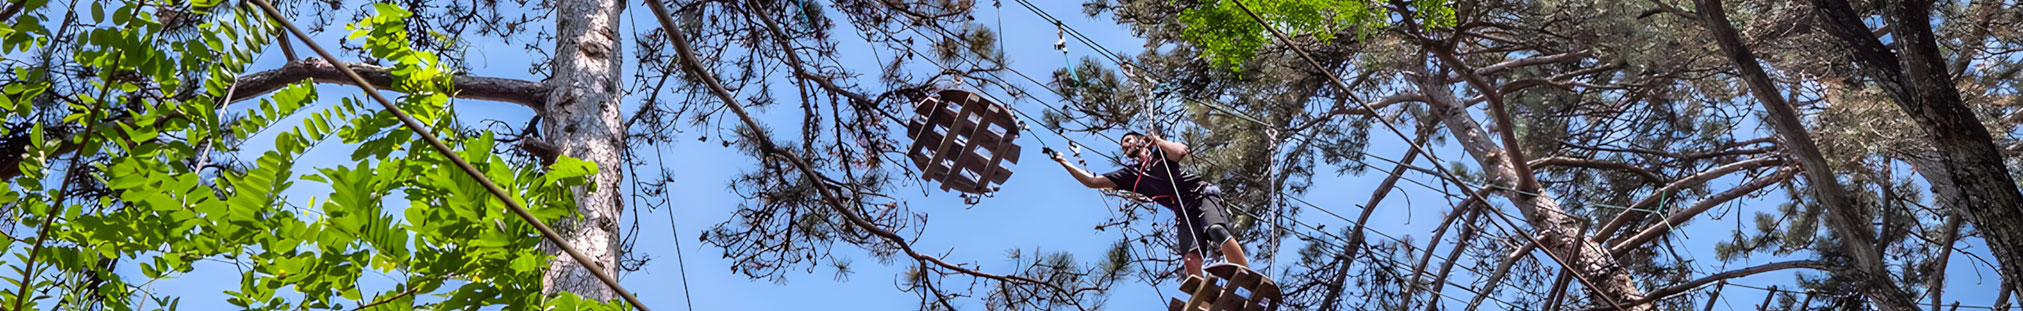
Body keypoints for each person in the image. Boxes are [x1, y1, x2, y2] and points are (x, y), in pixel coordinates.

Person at [1050, 131, 1249, 278]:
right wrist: (1065, 163)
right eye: (1122, 145)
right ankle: (1204, 301)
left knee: (1215, 230)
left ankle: (1245, 275)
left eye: (1127, 140)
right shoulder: (1130, 175)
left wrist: (1159, 141)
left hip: (1201, 196)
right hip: (1183, 210)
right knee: (1189, 259)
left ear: (1141, 141)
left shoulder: (1159, 155)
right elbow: (1092, 182)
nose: (1124, 146)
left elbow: (1181, 151)